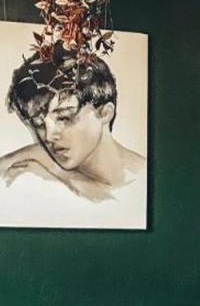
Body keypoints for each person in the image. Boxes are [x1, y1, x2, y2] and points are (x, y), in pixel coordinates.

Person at [0, 47, 145, 204]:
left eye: (64, 118)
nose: (49, 136)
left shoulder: (142, 177)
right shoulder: (31, 164)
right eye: (39, 123)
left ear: (104, 113)